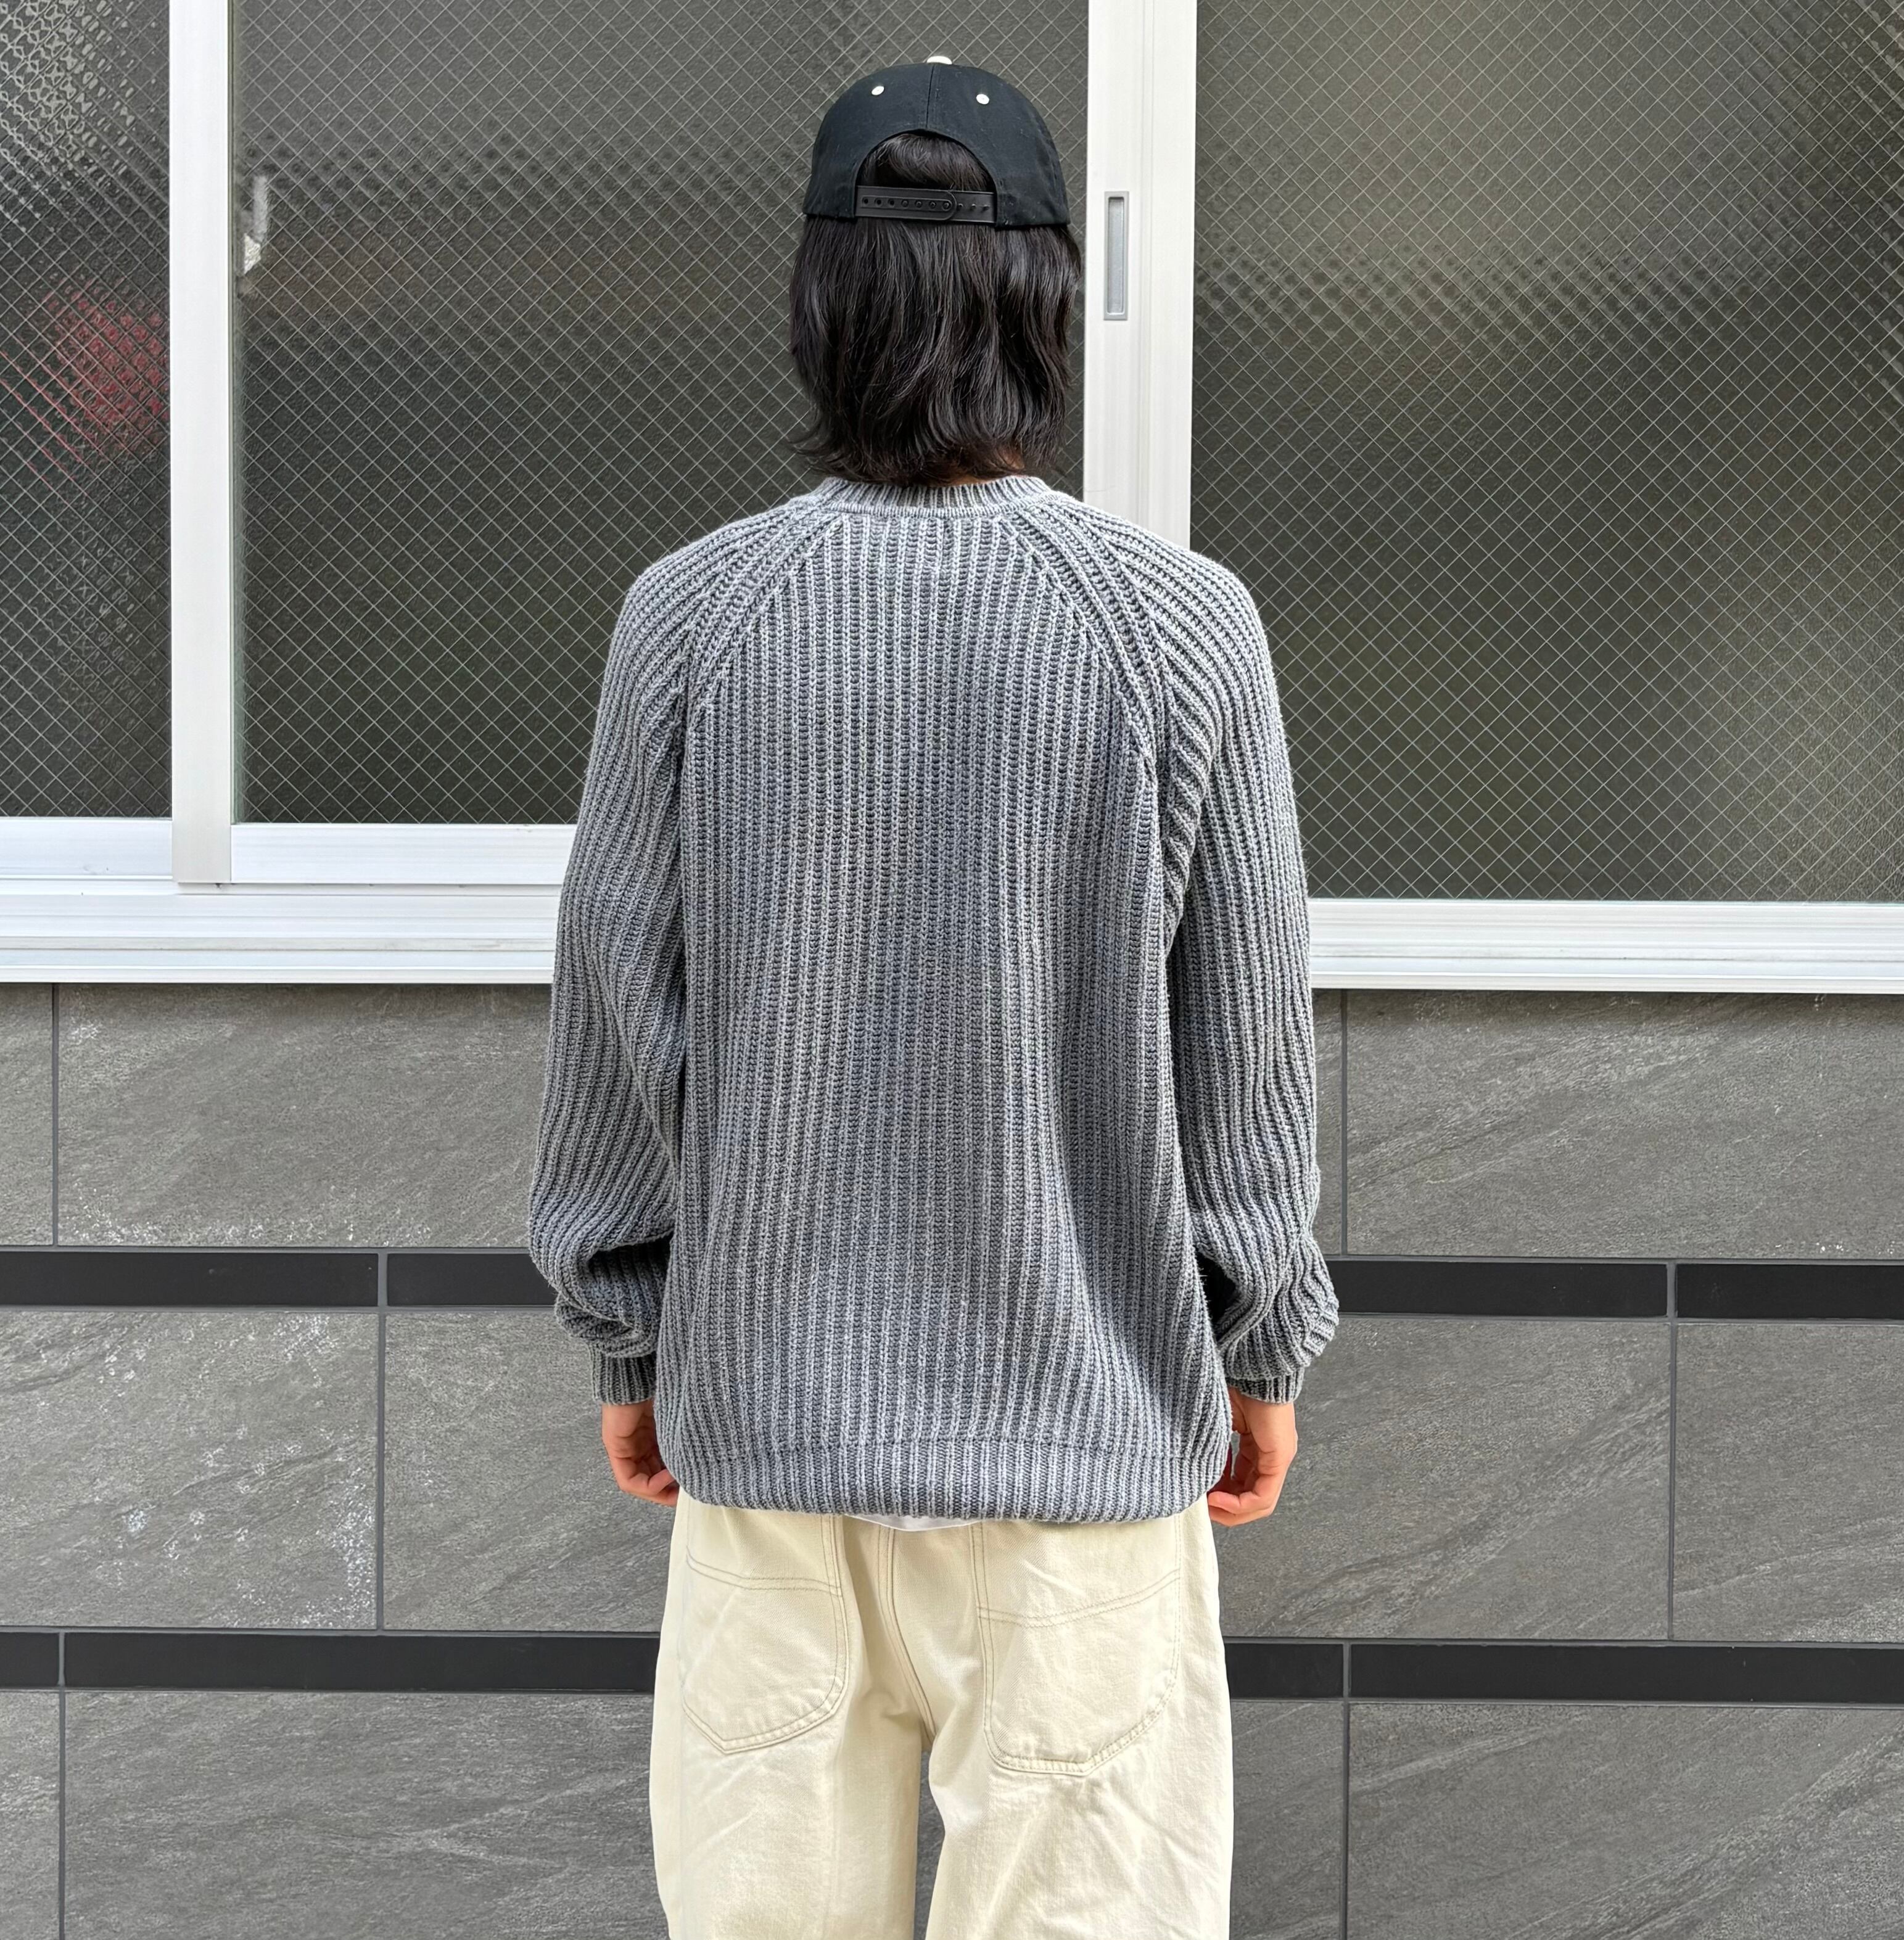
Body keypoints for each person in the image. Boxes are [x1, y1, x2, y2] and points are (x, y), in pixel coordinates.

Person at [525, 54, 1338, 1939]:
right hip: (1082, 1461)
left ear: (821, 305)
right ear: (1048, 303)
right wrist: (1256, 1347)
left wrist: (630, 1332)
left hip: (772, 1453)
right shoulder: (1179, 627)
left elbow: (617, 1016)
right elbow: (1242, 1050)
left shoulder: (691, 618)